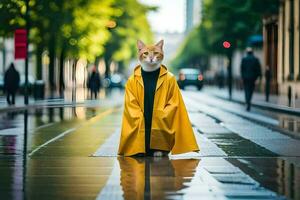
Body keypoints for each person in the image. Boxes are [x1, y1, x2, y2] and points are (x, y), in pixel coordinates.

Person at [118, 40, 199, 157]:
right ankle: (139, 146)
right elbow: (130, 106)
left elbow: (175, 103)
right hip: (139, 138)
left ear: (162, 53)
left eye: (156, 54)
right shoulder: (132, 80)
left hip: (161, 136)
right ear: (139, 52)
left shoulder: (170, 79)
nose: (151, 57)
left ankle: (160, 146)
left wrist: (162, 114)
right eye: (145, 54)